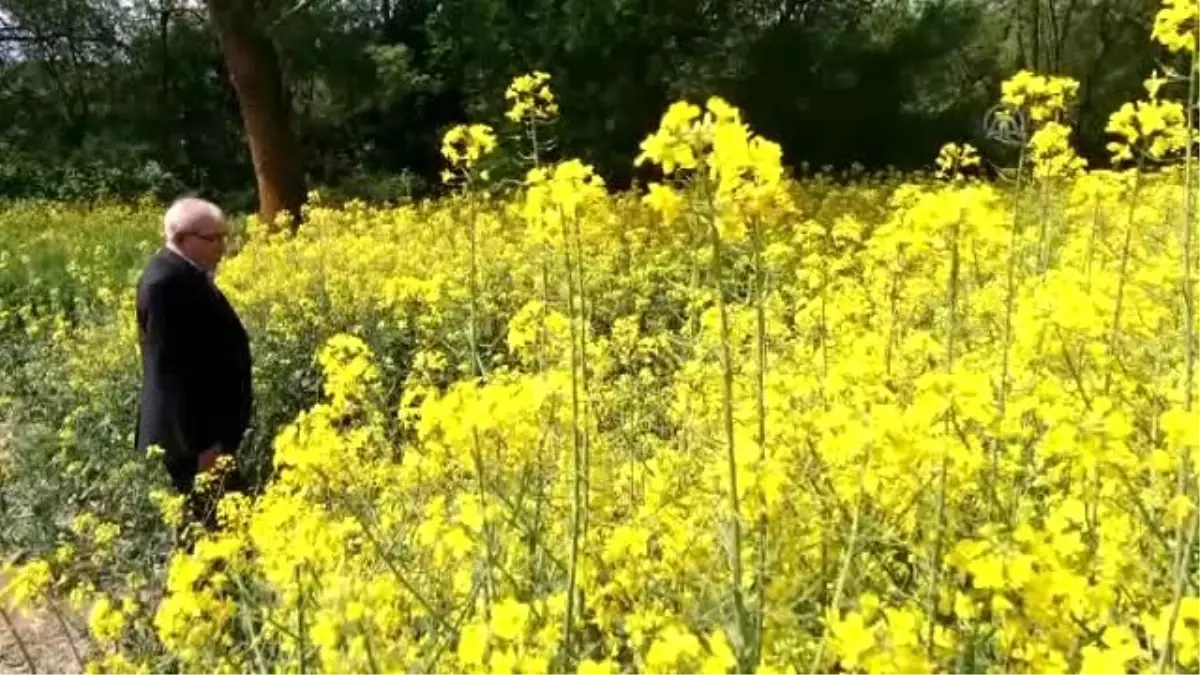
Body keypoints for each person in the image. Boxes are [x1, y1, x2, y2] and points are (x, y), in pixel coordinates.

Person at [134, 196, 252, 539]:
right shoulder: (165, 284)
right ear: (182, 237)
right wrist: (203, 446)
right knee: (219, 531)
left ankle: (211, 587)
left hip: (207, 436)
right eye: (213, 238)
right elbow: (172, 371)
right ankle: (202, 589)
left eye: (223, 237)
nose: (222, 247)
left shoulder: (185, 275)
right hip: (194, 440)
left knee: (218, 527)